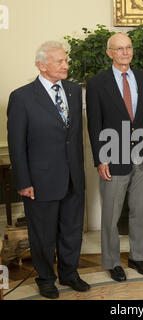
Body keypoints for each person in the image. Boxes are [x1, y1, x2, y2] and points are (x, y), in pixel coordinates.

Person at [7, 41, 90, 299]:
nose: (66, 65)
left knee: (72, 230)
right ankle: (45, 278)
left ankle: (70, 273)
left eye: (66, 61)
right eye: (60, 61)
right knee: (42, 234)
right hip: (40, 180)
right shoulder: (21, 97)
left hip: (73, 177)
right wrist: (23, 181)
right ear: (42, 65)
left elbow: (73, 138)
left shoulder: (75, 91)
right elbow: (16, 144)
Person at [86, 33, 143, 282]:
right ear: (109, 53)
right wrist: (100, 159)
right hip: (112, 156)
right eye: (119, 48)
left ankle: (138, 257)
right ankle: (112, 261)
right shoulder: (96, 84)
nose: (125, 52)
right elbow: (94, 125)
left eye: (128, 47)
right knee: (111, 214)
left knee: (140, 210)